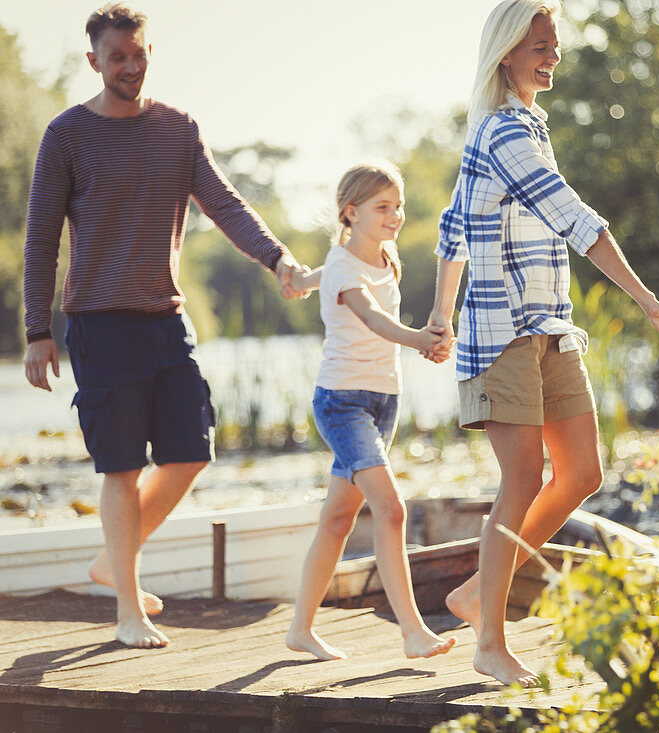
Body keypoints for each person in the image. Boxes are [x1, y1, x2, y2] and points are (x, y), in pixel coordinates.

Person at [21, 3, 308, 649]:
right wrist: (39, 328)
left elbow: (225, 202)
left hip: (165, 321)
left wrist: (278, 258)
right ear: (94, 60)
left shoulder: (178, 129)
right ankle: (129, 608)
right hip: (99, 323)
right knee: (121, 466)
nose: (129, 65)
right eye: (116, 55)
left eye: (139, 52)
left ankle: (110, 562)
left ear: (152, 51)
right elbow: (41, 241)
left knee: (188, 453)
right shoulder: (66, 135)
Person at [428, 0, 659, 686]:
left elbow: (452, 229)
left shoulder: (528, 127)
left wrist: (437, 313)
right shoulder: (503, 133)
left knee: (581, 472)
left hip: (550, 327)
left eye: (555, 44)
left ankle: (472, 593)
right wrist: (647, 302)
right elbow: (576, 221)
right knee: (521, 477)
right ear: (508, 52)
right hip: (504, 335)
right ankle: (488, 638)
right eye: (541, 44)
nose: (553, 55)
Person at [283, 163, 457, 662]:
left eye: (398, 206)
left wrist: (300, 280)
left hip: (384, 403)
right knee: (392, 508)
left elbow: (328, 276)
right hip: (342, 403)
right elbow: (370, 315)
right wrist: (420, 341)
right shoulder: (345, 265)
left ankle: (300, 629)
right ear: (350, 212)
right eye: (383, 207)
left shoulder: (381, 255)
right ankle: (413, 632)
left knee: (338, 518)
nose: (396, 215)